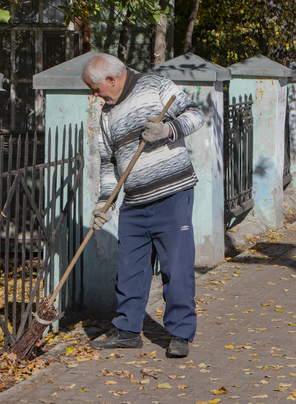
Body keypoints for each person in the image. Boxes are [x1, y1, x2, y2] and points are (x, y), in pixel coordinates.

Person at [82, 53, 205, 358]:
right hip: (134, 202)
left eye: (96, 88)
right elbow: (109, 162)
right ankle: (127, 331)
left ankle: (179, 334)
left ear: (112, 79)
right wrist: (103, 203)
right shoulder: (106, 114)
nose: (94, 95)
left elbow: (196, 113)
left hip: (172, 194)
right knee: (129, 269)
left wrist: (168, 130)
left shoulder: (155, 86)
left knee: (176, 268)